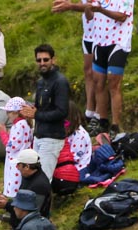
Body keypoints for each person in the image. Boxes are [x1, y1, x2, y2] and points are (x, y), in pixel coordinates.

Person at [53, 0, 132, 134]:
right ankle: (103, 121)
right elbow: (89, 16)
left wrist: (101, 10)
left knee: (113, 83)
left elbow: (122, 16)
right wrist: (85, 8)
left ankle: (115, 125)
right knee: (98, 82)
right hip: (100, 41)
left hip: (118, 42)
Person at [28, 44, 70, 180]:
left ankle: (43, 201)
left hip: (52, 138)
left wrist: (36, 114)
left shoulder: (60, 82)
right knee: (34, 178)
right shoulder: (41, 82)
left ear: (53, 60)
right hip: (39, 135)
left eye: (45, 60)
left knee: (44, 179)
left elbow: (62, 112)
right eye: (39, 60)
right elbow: (38, 108)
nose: (42, 63)